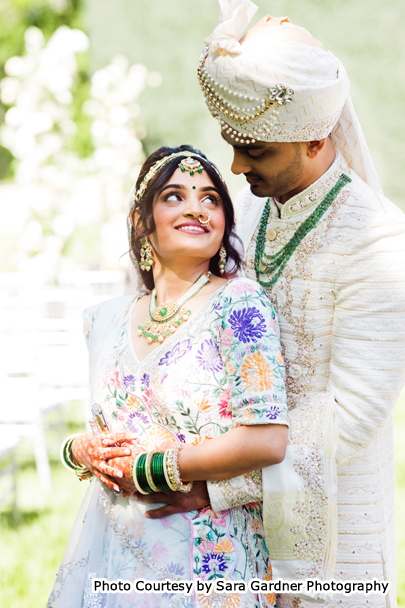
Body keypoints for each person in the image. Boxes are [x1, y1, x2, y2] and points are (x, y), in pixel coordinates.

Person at [133, 2, 405, 607]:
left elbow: (349, 421)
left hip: (333, 546)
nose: (234, 166)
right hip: (234, 546)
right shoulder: (252, 213)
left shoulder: (380, 241)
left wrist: (206, 480)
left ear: (314, 136)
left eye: (254, 150)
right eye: (233, 146)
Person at [48, 144, 289, 608]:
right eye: (175, 196)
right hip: (113, 546)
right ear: (143, 222)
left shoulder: (240, 305)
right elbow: (104, 430)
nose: (196, 208)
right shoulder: (104, 319)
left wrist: (153, 469)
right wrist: (79, 451)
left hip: (207, 555)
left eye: (211, 198)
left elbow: (267, 440)